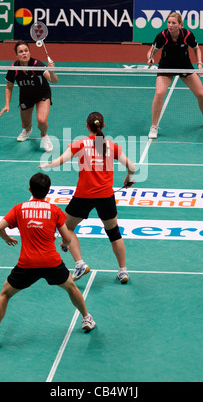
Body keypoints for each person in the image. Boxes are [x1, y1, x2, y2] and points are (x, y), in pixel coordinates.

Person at [0, 173, 95, 348]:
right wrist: (64, 245)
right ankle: (87, 319)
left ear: (30, 190)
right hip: (52, 262)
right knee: (71, 287)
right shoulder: (55, 210)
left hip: (27, 264)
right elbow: (67, 238)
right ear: (48, 191)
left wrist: (6, 239)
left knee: (5, 294)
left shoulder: (19, 209)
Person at [38, 112, 136, 284]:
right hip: (106, 196)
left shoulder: (80, 144)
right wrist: (128, 179)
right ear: (103, 126)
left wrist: (46, 165)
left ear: (87, 126)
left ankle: (80, 264)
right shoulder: (112, 146)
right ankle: (123, 271)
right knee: (114, 233)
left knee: (66, 228)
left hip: (83, 196)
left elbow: (60, 161)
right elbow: (132, 167)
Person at [147, 12, 203, 139]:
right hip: (166, 67)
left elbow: (196, 49)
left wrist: (199, 64)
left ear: (180, 25)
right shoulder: (162, 36)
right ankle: (154, 126)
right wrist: (150, 59)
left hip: (184, 65)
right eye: (168, 22)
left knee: (201, 94)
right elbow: (152, 51)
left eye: (173, 23)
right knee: (159, 93)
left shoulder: (187, 35)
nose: (170, 25)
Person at [0, 40, 58, 152]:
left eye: (26, 50)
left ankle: (44, 135)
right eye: (21, 52)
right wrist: (6, 104)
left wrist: (52, 71)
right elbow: (9, 87)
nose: (24, 53)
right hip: (26, 96)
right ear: (16, 55)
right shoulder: (14, 68)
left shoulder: (37, 65)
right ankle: (27, 130)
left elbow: (54, 80)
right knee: (25, 124)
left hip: (42, 94)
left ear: (30, 52)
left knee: (42, 120)